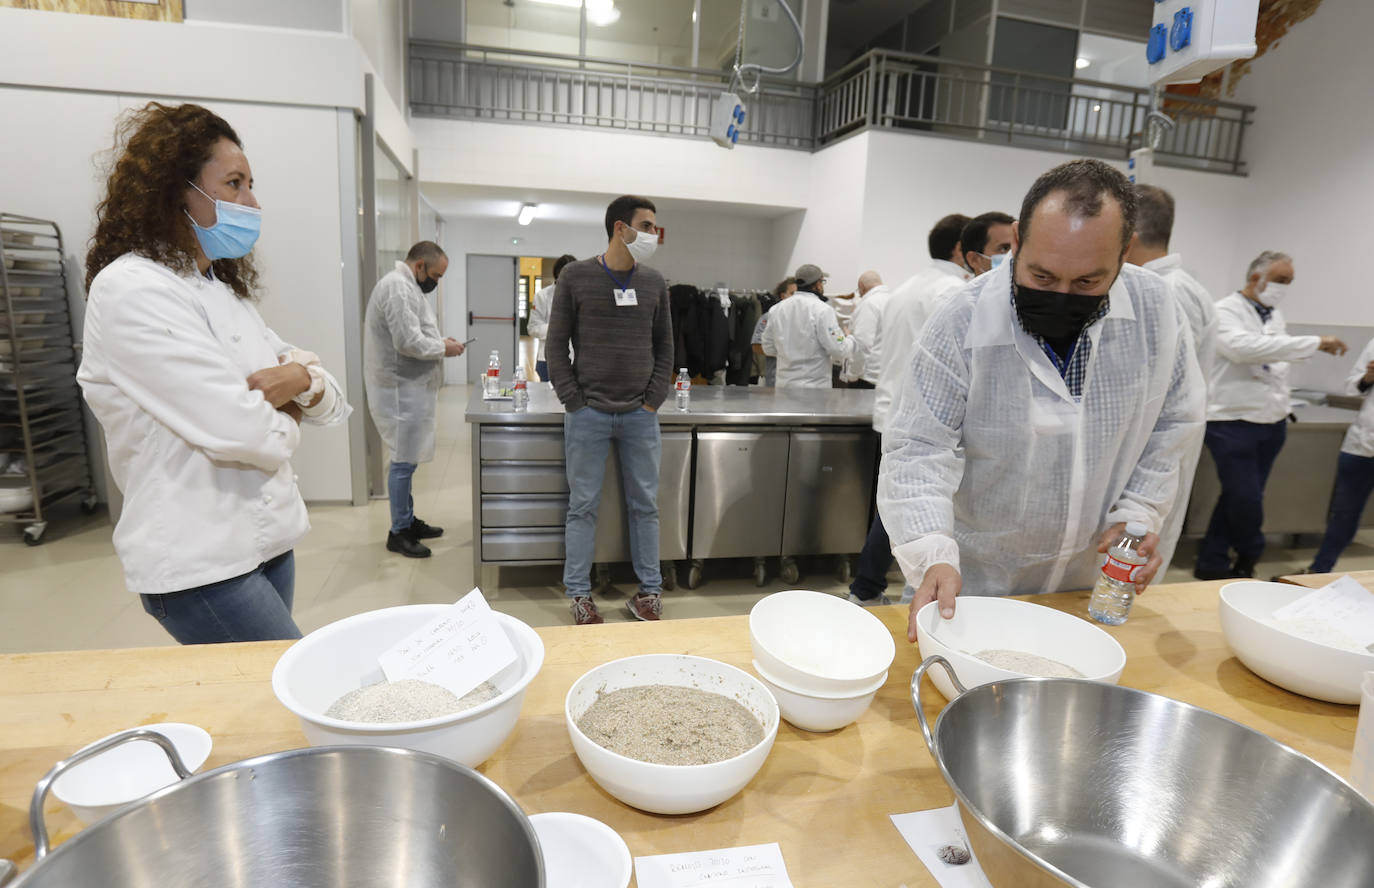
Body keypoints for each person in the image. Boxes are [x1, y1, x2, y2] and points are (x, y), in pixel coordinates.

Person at [879, 158, 1206, 641]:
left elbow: (1175, 421)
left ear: (1125, 252)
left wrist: (1140, 511)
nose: (1062, 296)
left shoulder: (1157, 310)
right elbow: (919, 447)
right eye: (1043, 276)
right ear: (1017, 238)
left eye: (1088, 282)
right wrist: (930, 551)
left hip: (1083, 588)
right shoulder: (961, 318)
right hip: (972, 585)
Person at [78, 102, 349, 645]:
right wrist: (294, 395)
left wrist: (299, 382)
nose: (252, 202)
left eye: (251, 184)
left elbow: (333, 402)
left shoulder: (222, 294)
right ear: (178, 191)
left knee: (253, 703)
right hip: (199, 561)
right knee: (275, 697)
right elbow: (243, 431)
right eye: (234, 184)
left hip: (268, 542)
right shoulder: (132, 290)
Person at [546, 195, 673, 625]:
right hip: (589, 414)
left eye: (656, 227)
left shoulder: (655, 282)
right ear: (621, 228)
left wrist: (653, 398)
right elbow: (555, 345)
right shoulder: (576, 278)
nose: (654, 234)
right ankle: (579, 595)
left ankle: (650, 592)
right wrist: (574, 401)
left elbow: (665, 347)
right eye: (647, 225)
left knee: (646, 506)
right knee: (582, 506)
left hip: (640, 414)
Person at [1194, 252, 1348, 580]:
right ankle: (1251, 551)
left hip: (1272, 421)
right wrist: (1314, 342)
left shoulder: (1274, 315)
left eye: (1289, 282)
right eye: (1280, 281)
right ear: (1255, 278)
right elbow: (1242, 349)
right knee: (1245, 497)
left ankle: (1212, 561)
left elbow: (1275, 356)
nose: (1283, 288)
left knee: (1237, 496)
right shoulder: (1224, 311)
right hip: (1231, 421)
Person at [853, 215, 971, 607]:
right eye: (1000, 249)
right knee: (918, 507)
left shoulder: (904, 288)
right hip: (926, 417)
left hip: (894, 409)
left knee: (896, 503)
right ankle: (888, 589)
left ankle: (867, 587)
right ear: (961, 249)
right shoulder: (956, 293)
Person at [1123, 184, 1217, 575]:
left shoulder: (1164, 293)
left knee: (1124, 572)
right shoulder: (1178, 286)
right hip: (1145, 461)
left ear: (1128, 235)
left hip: (1147, 463)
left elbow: (1162, 396)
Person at [364, 241, 467, 559]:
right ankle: (398, 532)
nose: (437, 282)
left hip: (409, 388)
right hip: (399, 390)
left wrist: (439, 341)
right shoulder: (397, 288)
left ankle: (408, 521)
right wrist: (444, 348)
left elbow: (416, 332)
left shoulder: (406, 287)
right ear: (420, 265)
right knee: (402, 462)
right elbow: (407, 341)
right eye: (436, 274)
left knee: (407, 461)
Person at [1306, 341, 1374, 574]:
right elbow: (1352, 386)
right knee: (1344, 513)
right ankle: (1319, 570)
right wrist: (1367, 377)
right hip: (1362, 445)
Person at [761, 264, 848, 388]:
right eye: (822, 282)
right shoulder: (823, 310)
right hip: (814, 388)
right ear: (818, 284)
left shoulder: (776, 309)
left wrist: (789, 354)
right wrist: (849, 340)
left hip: (784, 386)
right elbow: (839, 349)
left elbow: (768, 347)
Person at [527, 253, 577, 382]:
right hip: (548, 359)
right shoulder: (543, 296)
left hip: (578, 359)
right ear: (557, 274)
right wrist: (559, 327)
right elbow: (533, 328)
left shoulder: (582, 296)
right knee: (548, 398)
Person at [839, 271, 889, 390]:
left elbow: (863, 344)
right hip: (885, 375)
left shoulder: (868, 304)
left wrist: (852, 375)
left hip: (866, 378)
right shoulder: (892, 299)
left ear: (862, 287)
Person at [751, 277, 795, 387]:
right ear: (782, 295)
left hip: (801, 381)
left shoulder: (806, 317)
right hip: (775, 378)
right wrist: (782, 352)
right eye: (792, 293)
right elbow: (756, 346)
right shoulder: (770, 316)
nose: (796, 298)